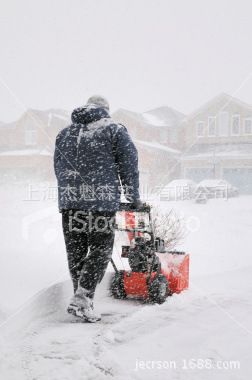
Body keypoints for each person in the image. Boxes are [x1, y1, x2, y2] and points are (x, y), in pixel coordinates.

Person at [54, 95, 141, 322]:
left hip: (70, 203)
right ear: (106, 110)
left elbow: (58, 168)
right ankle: (83, 299)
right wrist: (133, 198)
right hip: (100, 204)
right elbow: (129, 166)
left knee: (76, 253)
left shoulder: (64, 134)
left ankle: (82, 301)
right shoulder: (114, 130)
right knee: (100, 250)